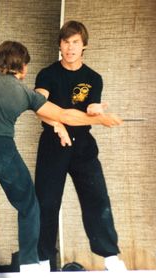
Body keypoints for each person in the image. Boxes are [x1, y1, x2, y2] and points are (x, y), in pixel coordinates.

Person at [0, 40, 122, 275]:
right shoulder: (23, 91)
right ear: (22, 67)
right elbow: (64, 114)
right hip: (2, 150)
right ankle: (30, 265)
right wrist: (99, 120)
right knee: (29, 206)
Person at [34, 21, 127, 271]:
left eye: (75, 42)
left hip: (83, 145)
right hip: (53, 145)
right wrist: (57, 124)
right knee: (46, 202)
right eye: (66, 42)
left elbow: (90, 110)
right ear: (60, 45)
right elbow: (38, 106)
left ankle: (110, 257)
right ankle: (43, 260)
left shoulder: (93, 78)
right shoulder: (47, 74)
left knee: (97, 198)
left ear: (84, 45)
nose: (70, 47)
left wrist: (96, 111)